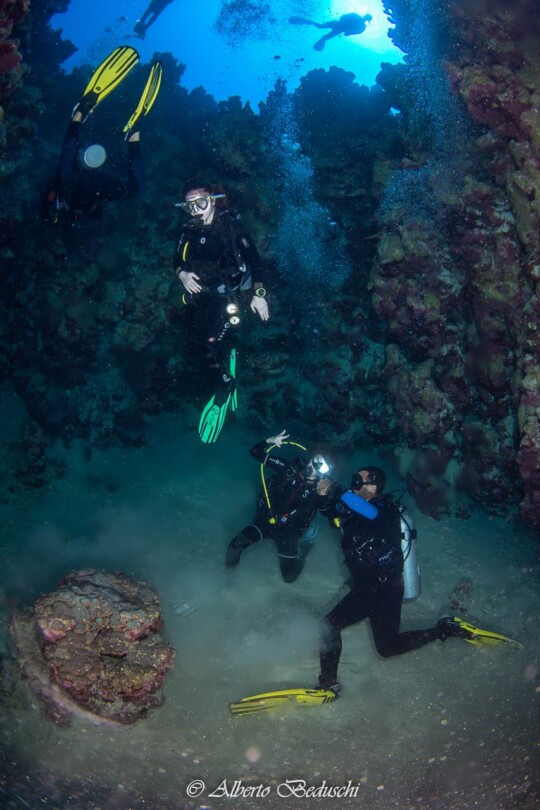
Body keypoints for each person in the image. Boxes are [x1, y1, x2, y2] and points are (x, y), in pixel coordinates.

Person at [317, 465, 476, 694]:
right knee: (388, 647)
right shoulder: (354, 509)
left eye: (358, 480)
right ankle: (443, 629)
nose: (354, 484)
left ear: (373, 486)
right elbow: (332, 512)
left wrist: (335, 488)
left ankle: (327, 684)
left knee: (329, 625)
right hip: (375, 586)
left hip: (382, 586)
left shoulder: (385, 508)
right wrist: (323, 494)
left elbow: (369, 513)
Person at [174, 179, 269, 443]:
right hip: (204, 296)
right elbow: (177, 259)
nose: (196, 210)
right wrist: (182, 274)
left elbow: (255, 263)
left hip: (232, 296)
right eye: (190, 206)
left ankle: (226, 384)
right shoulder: (188, 230)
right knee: (193, 344)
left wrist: (259, 295)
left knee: (208, 343)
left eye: (201, 203)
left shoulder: (231, 226)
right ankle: (228, 354)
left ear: (213, 200)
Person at [46, 48, 162, 224]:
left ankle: (80, 115)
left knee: (65, 173)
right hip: (92, 189)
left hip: (79, 181)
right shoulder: (74, 207)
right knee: (136, 189)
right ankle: (132, 137)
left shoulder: (57, 192)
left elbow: (61, 172)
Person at [225, 430, 332, 582]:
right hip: (266, 520)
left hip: (289, 531)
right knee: (235, 546)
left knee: (289, 577)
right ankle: (227, 580)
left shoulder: (321, 489)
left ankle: (303, 552)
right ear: (311, 458)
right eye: (316, 461)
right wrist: (268, 441)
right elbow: (255, 452)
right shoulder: (290, 468)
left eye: (322, 467)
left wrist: (324, 496)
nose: (315, 468)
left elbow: (328, 512)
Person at [288, 12, 373, 51]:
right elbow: (348, 33)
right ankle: (304, 21)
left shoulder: (357, 18)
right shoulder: (361, 27)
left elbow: (343, 17)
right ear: (368, 20)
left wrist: (345, 28)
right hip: (339, 29)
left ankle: (304, 21)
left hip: (337, 25)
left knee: (320, 27)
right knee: (323, 36)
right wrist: (347, 30)